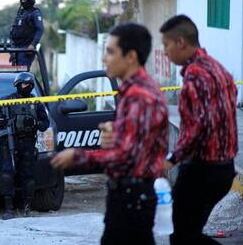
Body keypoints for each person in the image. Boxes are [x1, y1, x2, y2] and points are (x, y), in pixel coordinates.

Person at [51, 23, 169, 245]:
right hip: (129, 195)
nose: (104, 58)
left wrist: (77, 156)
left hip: (133, 196)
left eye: (111, 51)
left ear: (131, 56)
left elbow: (128, 155)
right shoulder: (132, 91)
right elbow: (137, 142)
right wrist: (116, 133)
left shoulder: (139, 95)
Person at [160, 15, 237, 245]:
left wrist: (172, 159)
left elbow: (199, 127)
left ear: (181, 42)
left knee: (182, 235)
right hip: (224, 167)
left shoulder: (196, 74)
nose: (165, 52)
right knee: (188, 232)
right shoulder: (218, 68)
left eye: (166, 45)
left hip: (203, 169)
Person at [0, 72, 49, 220]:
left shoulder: (36, 103)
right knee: (7, 175)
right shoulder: (7, 100)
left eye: (29, 84)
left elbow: (45, 123)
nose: (26, 86)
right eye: (23, 84)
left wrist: (38, 124)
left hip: (27, 143)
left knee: (28, 176)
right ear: (17, 85)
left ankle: (27, 207)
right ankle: (9, 209)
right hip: (8, 142)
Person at [9, 0, 44, 69]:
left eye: (25, 0)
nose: (23, 2)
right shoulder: (20, 13)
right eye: (22, 0)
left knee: (22, 73)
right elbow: (14, 29)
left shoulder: (35, 13)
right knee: (14, 74)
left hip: (26, 48)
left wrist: (32, 44)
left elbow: (40, 29)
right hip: (16, 48)